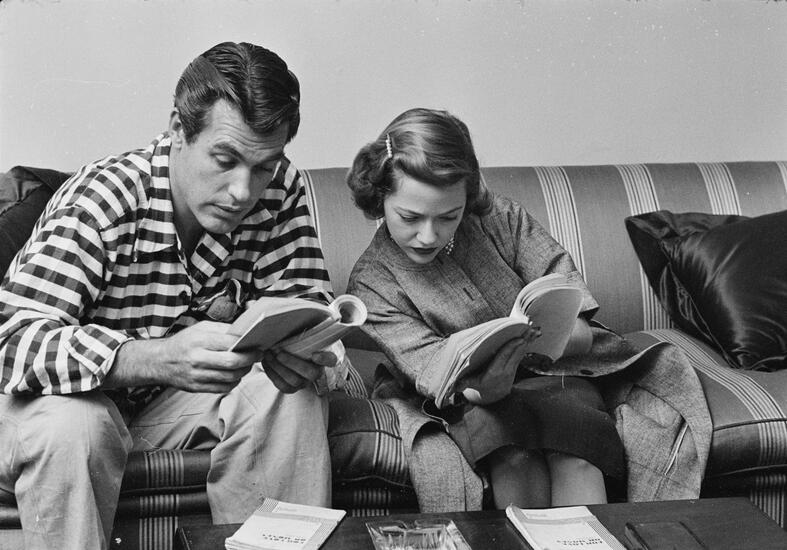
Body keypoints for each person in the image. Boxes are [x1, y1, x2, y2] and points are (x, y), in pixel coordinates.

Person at [0, 42, 344, 550]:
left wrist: (304, 349)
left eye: (263, 166)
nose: (243, 191)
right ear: (179, 130)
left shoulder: (279, 188)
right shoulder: (104, 199)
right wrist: (152, 357)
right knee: (77, 425)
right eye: (225, 160)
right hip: (50, 412)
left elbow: (306, 300)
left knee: (284, 394)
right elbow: (10, 344)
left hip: (157, 415)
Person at [345, 108, 712, 512]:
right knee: (513, 458)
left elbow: (575, 316)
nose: (429, 235)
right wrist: (487, 385)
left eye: (449, 216)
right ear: (379, 198)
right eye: (410, 217)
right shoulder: (372, 281)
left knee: (576, 456)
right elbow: (435, 374)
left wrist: (551, 337)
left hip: (556, 371)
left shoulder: (501, 218)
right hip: (463, 399)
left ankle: (586, 539)